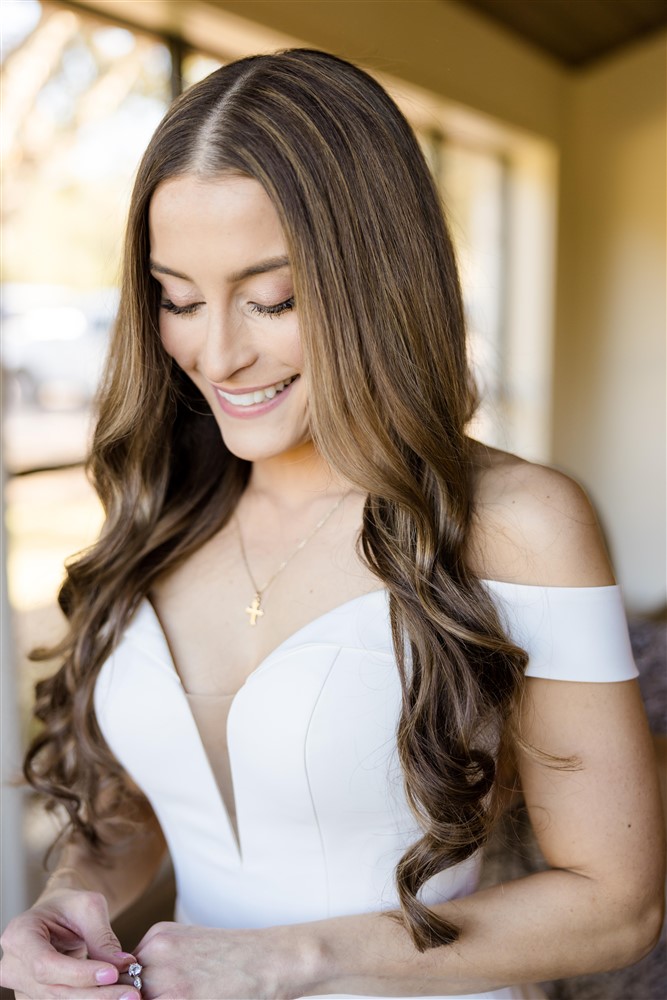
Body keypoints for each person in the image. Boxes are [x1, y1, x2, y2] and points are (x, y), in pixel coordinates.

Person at [0, 49, 664, 1000]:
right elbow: (140, 800)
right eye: (177, 298)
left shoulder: (518, 524)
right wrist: (71, 894)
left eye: (270, 299)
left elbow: (614, 903)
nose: (215, 352)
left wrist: (290, 958)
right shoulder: (164, 508)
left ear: (374, 282)